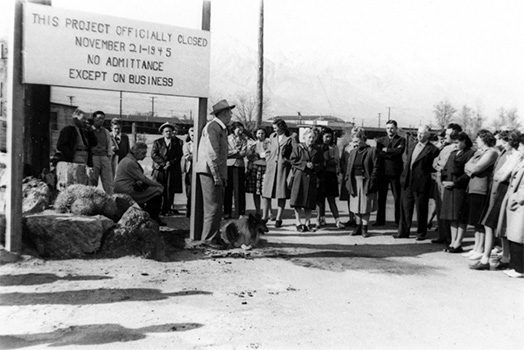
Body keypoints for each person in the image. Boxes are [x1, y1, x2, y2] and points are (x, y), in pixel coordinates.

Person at [470, 130, 521, 270]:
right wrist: (500, 175)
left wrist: (500, 175)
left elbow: (502, 176)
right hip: (498, 191)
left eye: (505, 142)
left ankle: (487, 258)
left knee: (491, 224)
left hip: (503, 191)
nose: (502, 144)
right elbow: (498, 173)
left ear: (513, 142)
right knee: (494, 225)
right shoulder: (508, 154)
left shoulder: (516, 155)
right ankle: (503, 257)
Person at [448, 129, 498, 253]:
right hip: (473, 188)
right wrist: (471, 168)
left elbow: (476, 168)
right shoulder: (480, 152)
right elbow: (467, 166)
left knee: (479, 221)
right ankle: (477, 247)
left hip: (481, 188)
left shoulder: (491, 152)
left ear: (484, 139)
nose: (476, 141)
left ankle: (480, 248)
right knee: (475, 221)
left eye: (479, 139)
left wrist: (471, 168)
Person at [194, 99, 234, 248]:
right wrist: (217, 175)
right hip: (209, 171)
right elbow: (212, 153)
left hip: (212, 170)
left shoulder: (219, 128)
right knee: (213, 206)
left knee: (217, 206)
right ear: (223, 113)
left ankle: (214, 237)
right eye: (229, 113)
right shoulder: (213, 127)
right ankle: (209, 239)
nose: (231, 116)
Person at [395, 125, 440, 240]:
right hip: (407, 181)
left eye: (422, 133)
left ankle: (421, 233)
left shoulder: (433, 150)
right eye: (418, 133)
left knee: (421, 209)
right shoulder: (413, 145)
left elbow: (434, 166)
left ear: (428, 135)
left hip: (421, 183)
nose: (419, 135)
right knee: (405, 208)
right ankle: (403, 232)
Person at [113, 142, 165, 226]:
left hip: (123, 187)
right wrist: (157, 185)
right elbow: (143, 178)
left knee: (151, 189)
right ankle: (153, 218)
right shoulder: (130, 162)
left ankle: (148, 215)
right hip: (126, 189)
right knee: (157, 191)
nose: (145, 156)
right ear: (136, 153)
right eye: (143, 153)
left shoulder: (127, 159)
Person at [440, 132, 475, 252]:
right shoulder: (453, 153)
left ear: (465, 141)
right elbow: (445, 169)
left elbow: (468, 173)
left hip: (460, 188)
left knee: (460, 217)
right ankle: (452, 242)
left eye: (457, 142)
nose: (455, 144)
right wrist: (444, 180)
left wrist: (455, 183)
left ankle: (458, 242)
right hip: (449, 188)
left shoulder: (470, 154)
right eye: (453, 142)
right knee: (451, 217)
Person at [431, 123, 463, 245]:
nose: (445, 136)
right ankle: (442, 235)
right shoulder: (445, 147)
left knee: (446, 209)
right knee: (440, 208)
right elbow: (435, 162)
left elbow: (445, 164)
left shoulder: (455, 148)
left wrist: (439, 165)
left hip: (446, 180)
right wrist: (438, 165)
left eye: (448, 134)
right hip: (438, 179)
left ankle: (450, 237)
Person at [344, 128, 379, 237]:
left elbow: (376, 168)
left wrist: (372, 181)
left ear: (363, 139)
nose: (355, 144)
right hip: (354, 181)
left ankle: (364, 228)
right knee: (356, 206)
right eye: (353, 142)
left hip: (366, 181)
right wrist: (347, 180)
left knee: (365, 206)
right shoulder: (353, 152)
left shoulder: (372, 151)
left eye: (357, 141)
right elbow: (349, 168)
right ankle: (357, 227)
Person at [261, 118, 295, 228]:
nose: (274, 129)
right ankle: (264, 217)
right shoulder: (272, 137)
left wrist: (287, 161)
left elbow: (294, 154)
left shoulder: (290, 139)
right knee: (266, 194)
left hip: (283, 169)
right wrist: (267, 157)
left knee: (281, 194)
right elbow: (269, 150)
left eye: (275, 127)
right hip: (271, 168)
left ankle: (279, 218)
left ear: (281, 127)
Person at [289, 128, 324, 232]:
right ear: (304, 138)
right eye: (309, 137)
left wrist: (314, 166)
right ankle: (298, 222)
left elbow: (322, 164)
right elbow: (293, 160)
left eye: (313, 137)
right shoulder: (298, 148)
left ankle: (308, 222)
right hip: (299, 176)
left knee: (309, 201)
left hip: (311, 178)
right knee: (298, 200)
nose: (311, 139)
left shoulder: (318, 150)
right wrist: (304, 165)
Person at [500, 133, 524, 278]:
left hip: (519, 204)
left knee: (519, 236)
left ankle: (520, 269)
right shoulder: (522, 160)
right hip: (516, 203)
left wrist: (516, 198)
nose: (519, 149)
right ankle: (516, 266)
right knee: (515, 236)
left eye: (521, 146)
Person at [55, 108, 97, 190]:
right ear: (75, 119)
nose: (85, 121)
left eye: (86, 119)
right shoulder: (68, 130)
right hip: (75, 157)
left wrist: (91, 132)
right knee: (75, 180)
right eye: (83, 119)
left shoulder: (85, 131)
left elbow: (94, 143)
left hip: (85, 156)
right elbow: (60, 145)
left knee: (84, 181)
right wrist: (70, 155)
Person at [374, 120, 406, 226]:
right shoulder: (381, 141)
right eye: (388, 128)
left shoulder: (401, 140)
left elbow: (399, 152)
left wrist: (387, 150)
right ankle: (380, 220)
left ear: (396, 128)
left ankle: (398, 220)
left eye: (392, 128)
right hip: (383, 172)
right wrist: (392, 151)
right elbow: (379, 154)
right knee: (381, 197)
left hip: (395, 172)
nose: (390, 130)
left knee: (397, 197)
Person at [151, 122, 184, 216]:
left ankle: (167, 208)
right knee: (159, 188)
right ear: (162, 133)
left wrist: (170, 163)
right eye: (166, 131)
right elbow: (154, 155)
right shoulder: (157, 142)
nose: (168, 133)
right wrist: (163, 163)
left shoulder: (178, 142)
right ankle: (158, 208)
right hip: (160, 169)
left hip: (172, 169)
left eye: (170, 131)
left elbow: (179, 155)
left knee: (170, 189)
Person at [314, 127, 344, 229]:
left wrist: (326, 161)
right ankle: (320, 219)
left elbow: (335, 161)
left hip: (330, 175)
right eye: (326, 136)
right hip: (320, 175)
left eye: (330, 137)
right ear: (321, 136)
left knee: (331, 199)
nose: (328, 139)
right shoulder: (317, 147)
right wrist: (326, 161)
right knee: (320, 200)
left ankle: (337, 220)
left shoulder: (334, 147)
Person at [224, 122, 248, 218]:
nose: (240, 131)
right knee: (227, 189)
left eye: (242, 129)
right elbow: (225, 152)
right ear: (233, 129)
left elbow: (244, 152)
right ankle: (227, 212)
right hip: (228, 165)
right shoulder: (226, 138)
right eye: (239, 129)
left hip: (239, 165)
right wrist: (236, 151)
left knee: (239, 190)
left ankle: (240, 212)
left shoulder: (244, 139)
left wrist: (234, 153)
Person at [246, 127, 271, 218]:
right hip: (255, 167)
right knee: (255, 191)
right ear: (256, 134)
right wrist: (258, 155)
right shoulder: (253, 144)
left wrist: (264, 155)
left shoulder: (268, 143)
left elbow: (270, 154)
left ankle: (267, 212)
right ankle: (257, 211)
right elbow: (249, 156)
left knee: (265, 191)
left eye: (262, 133)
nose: (260, 135)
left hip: (265, 167)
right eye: (259, 133)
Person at [90, 110, 114, 194]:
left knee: (108, 181)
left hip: (104, 157)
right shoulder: (89, 130)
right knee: (92, 181)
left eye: (103, 119)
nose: (101, 120)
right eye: (99, 118)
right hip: (93, 157)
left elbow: (109, 145)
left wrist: (108, 157)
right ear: (94, 118)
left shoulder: (106, 131)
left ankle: (110, 199)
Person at [182, 127, 195, 217]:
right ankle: (189, 211)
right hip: (190, 169)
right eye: (192, 135)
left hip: (199, 168)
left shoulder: (202, 144)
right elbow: (187, 156)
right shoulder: (187, 145)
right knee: (190, 191)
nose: (194, 136)